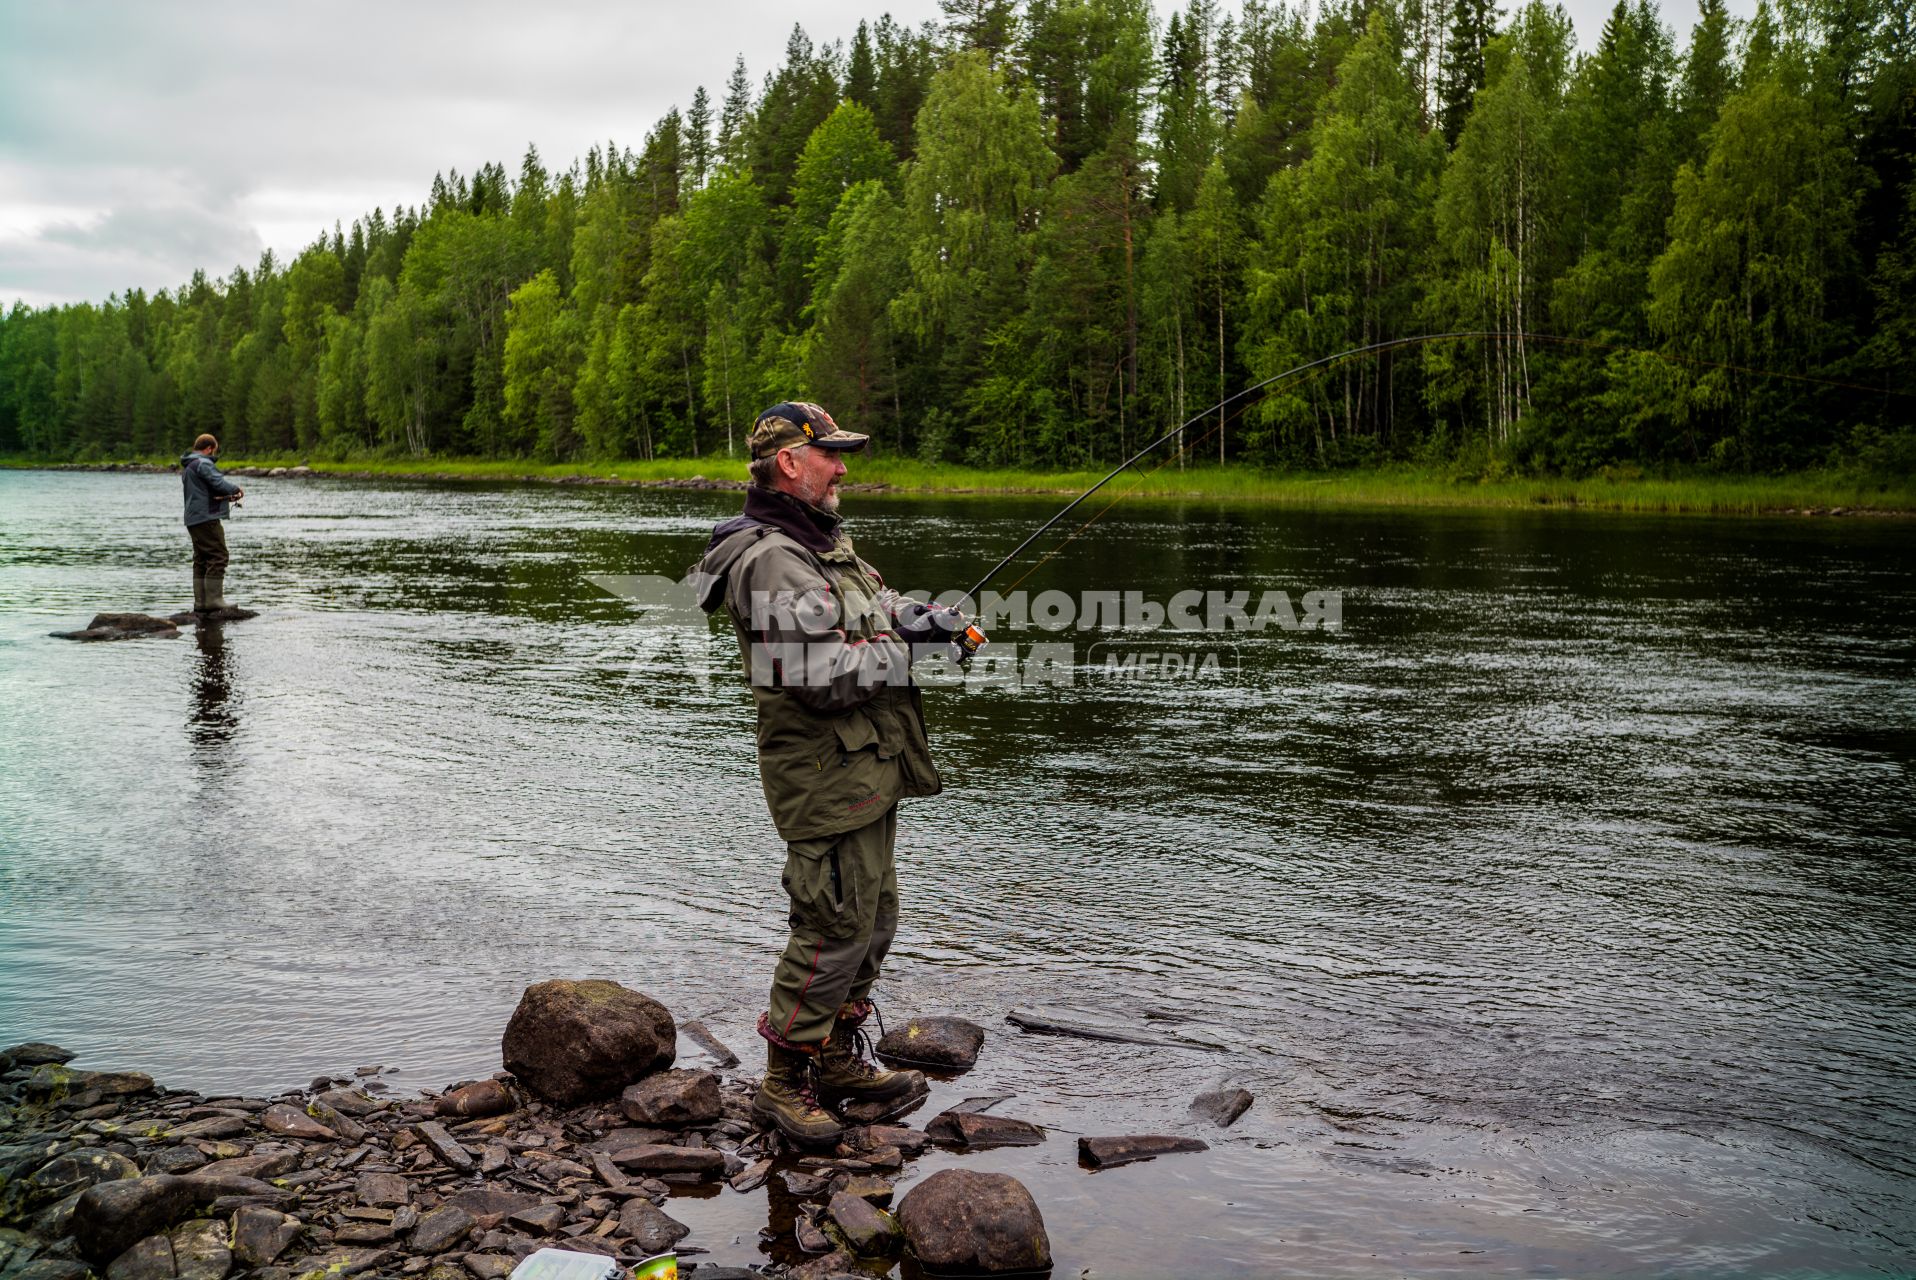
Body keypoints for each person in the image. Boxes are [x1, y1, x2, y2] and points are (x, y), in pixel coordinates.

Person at [691, 401, 978, 1147]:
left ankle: (839, 1058)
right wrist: (909, 648)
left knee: (873, 916)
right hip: (822, 772)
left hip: (865, 763)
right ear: (792, 462)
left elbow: (874, 604)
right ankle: (785, 1084)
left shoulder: (819, 541)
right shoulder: (770, 558)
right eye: (833, 455)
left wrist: (926, 616)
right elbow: (816, 675)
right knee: (832, 924)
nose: (845, 467)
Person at [180, 434, 244, 615]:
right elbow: (218, 483)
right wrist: (236, 490)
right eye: (213, 451)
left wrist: (226, 497)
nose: (212, 454)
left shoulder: (189, 466)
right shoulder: (203, 463)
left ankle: (201, 602)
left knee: (201, 558)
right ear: (209, 448)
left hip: (192, 518)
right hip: (206, 518)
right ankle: (214, 601)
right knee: (219, 555)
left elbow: (204, 491)